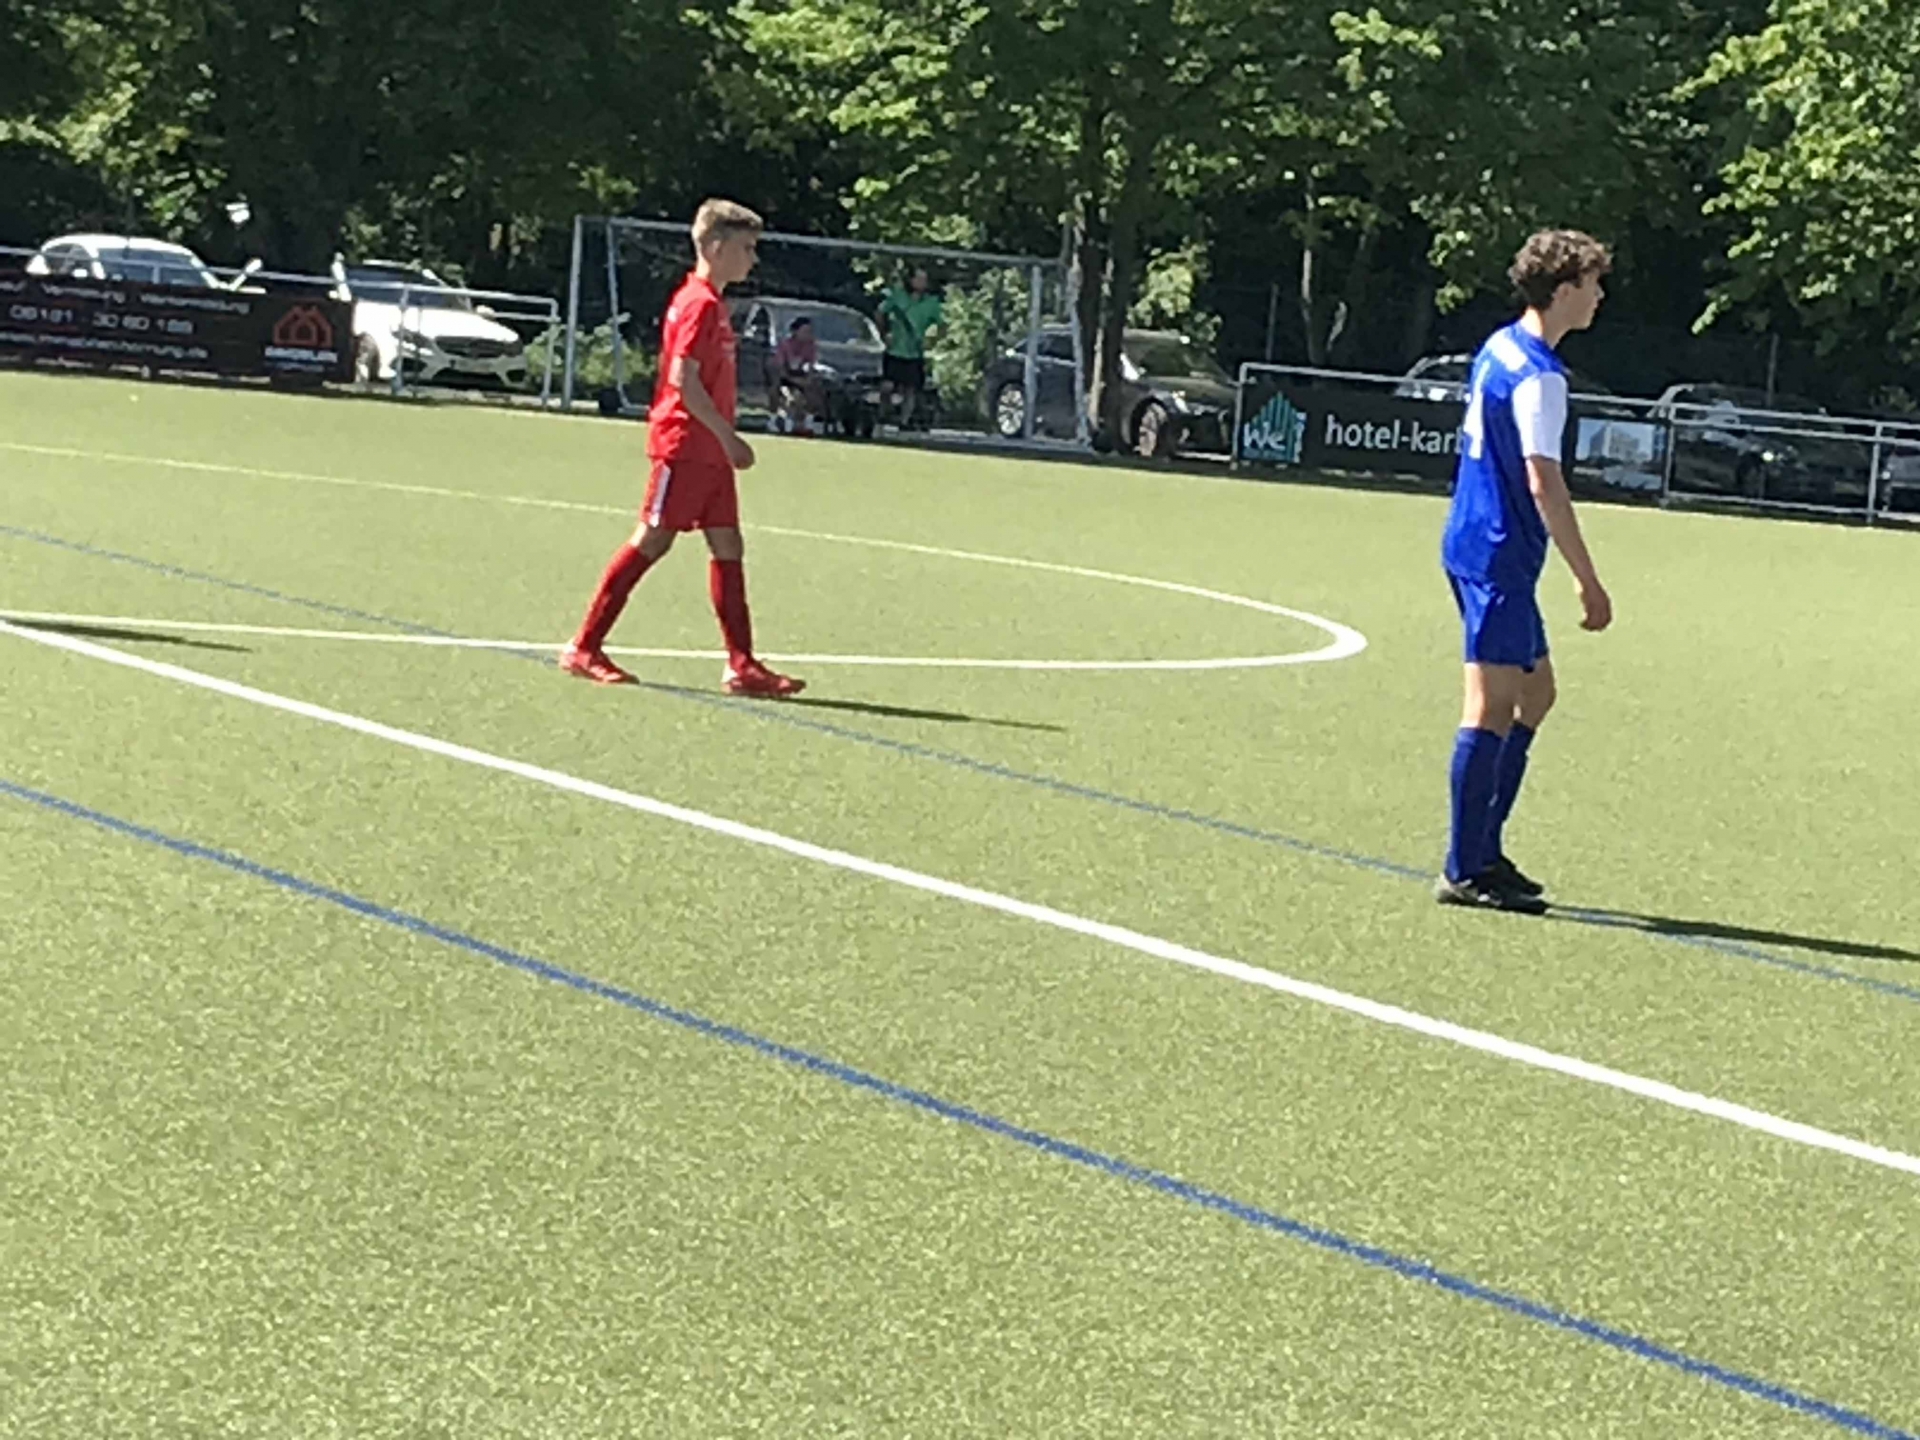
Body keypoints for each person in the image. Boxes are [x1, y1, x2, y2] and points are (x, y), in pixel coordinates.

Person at [559, 199, 804, 698]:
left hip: (707, 452)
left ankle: (742, 665)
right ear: (714, 246)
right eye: (745, 247)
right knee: (652, 539)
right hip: (685, 445)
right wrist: (728, 437)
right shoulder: (698, 304)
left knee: (728, 544)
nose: (752, 258)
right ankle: (584, 646)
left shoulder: (712, 302)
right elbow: (683, 381)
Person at [1436, 229, 1614, 913]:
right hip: (1497, 555)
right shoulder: (1541, 376)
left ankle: (1484, 847)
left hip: (1476, 541)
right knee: (1490, 707)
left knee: (1536, 695)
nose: (1599, 297)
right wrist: (1587, 578)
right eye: (1592, 285)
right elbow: (1545, 482)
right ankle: (1465, 867)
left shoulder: (1501, 345)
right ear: (1564, 291)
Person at [877, 268, 942, 429]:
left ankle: (904, 421)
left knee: (910, 389)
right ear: (911, 280)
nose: (922, 283)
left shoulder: (931, 303)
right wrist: (884, 333)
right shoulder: (898, 297)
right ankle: (884, 412)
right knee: (887, 386)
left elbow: (941, 324)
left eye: (924, 280)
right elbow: (880, 312)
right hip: (895, 350)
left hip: (914, 352)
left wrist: (932, 341)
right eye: (919, 279)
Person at [770, 316, 823, 436]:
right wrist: (792, 379)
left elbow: (811, 366)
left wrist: (808, 379)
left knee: (815, 390)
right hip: (786, 377)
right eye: (804, 331)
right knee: (775, 389)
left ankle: (809, 422)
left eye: (809, 331)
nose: (807, 334)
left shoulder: (811, 346)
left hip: (802, 376)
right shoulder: (785, 345)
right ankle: (774, 420)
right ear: (795, 331)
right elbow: (780, 368)